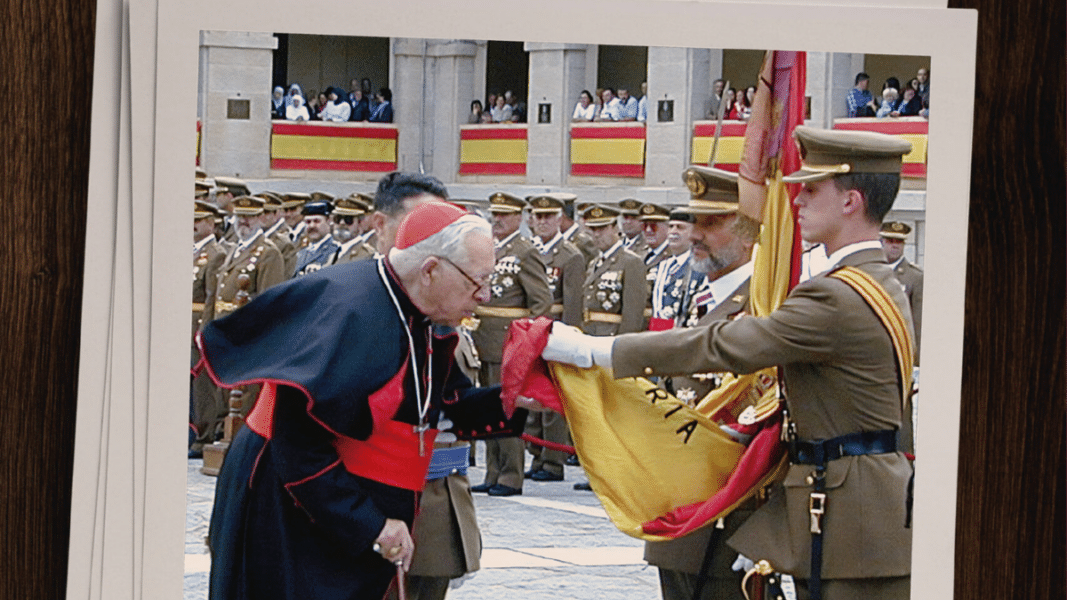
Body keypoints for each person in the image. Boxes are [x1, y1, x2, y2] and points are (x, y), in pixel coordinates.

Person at [544, 126, 916, 599]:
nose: (796, 200)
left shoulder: (838, 293)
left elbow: (727, 343)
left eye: (812, 188)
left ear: (851, 201)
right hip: (856, 508)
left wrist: (593, 351)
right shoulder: (874, 281)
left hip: (847, 515)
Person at [202, 195, 533, 600]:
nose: (484, 296)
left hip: (343, 500)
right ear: (430, 270)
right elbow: (300, 447)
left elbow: (447, 404)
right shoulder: (351, 314)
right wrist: (370, 524)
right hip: (288, 500)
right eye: (477, 282)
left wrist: (522, 396)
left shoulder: (425, 312)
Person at [646, 167, 757, 600]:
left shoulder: (760, 305)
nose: (695, 234)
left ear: (749, 231)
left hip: (729, 513)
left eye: (711, 223)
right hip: (683, 502)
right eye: (694, 222)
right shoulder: (705, 298)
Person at [469, 192, 552, 497]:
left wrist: (526, 344)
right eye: (495, 213)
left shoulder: (525, 251)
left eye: (505, 214)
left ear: (520, 217)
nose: (498, 219)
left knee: (507, 409)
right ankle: (492, 470)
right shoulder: (491, 248)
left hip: (508, 342)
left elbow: (541, 302)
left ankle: (511, 475)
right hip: (482, 338)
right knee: (487, 408)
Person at [524, 194, 585, 482]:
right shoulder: (530, 250)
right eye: (538, 216)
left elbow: (572, 302)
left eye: (549, 216)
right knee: (535, 396)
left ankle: (552, 461)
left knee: (552, 401)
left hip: (556, 329)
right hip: (533, 331)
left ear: (560, 219)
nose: (543, 222)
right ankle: (537, 455)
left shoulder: (570, 255)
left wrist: (570, 337)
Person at [880, 221, 923, 353]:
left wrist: (915, 359)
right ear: (881, 242)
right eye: (890, 241)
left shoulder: (915, 277)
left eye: (899, 242)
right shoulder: (869, 272)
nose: (894, 246)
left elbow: (918, 322)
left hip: (900, 349)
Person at [291, 200, 340, 277]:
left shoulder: (335, 250)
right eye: (308, 222)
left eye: (316, 221)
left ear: (329, 221)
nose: (311, 226)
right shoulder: (301, 250)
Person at [328, 197, 376, 265]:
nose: (342, 223)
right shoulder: (333, 252)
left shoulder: (366, 255)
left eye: (348, 219)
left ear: (359, 223)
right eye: (338, 218)